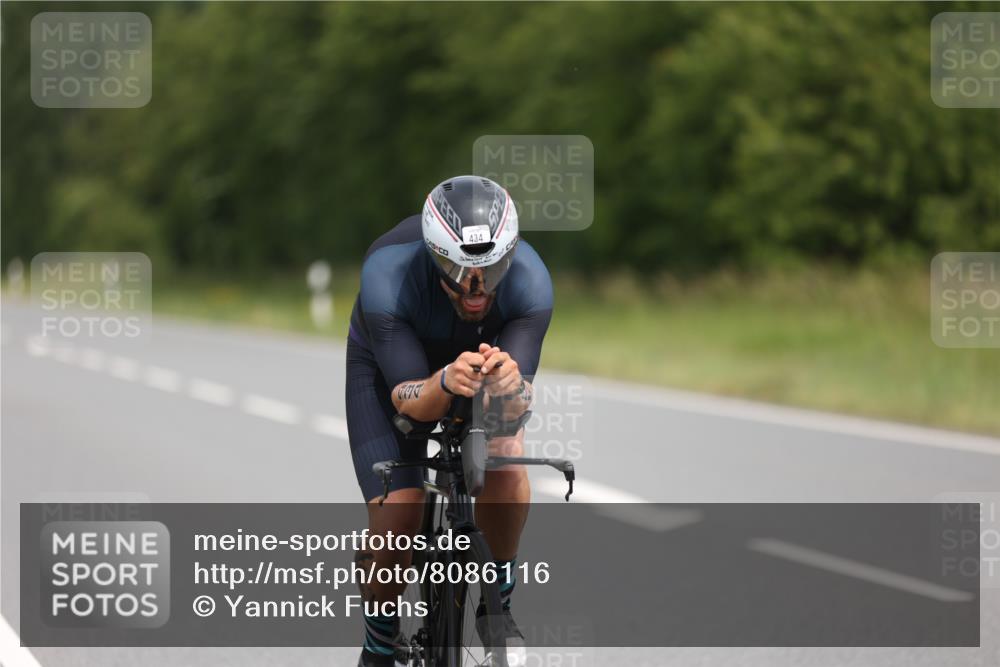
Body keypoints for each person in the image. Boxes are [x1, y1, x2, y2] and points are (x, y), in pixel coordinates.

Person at [346, 175, 553, 666]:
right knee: (400, 513)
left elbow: (517, 404)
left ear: (512, 254)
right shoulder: (387, 273)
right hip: (391, 372)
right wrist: (441, 383)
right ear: (432, 252)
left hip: (478, 361)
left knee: (503, 456)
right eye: (457, 271)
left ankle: (497, 604)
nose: (475, 289)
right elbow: (408, 400)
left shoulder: (532, 282)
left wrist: (511, 386)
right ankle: (378, 645)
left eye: (490, 268)